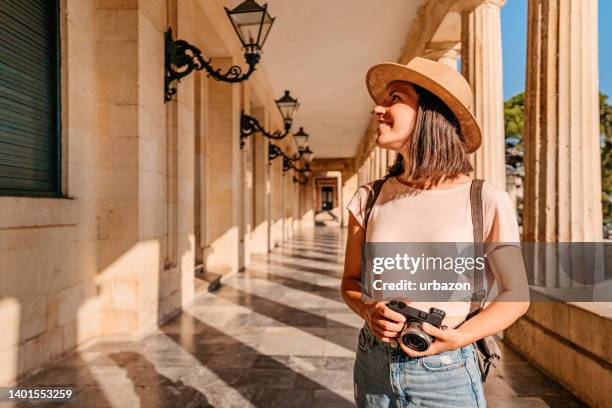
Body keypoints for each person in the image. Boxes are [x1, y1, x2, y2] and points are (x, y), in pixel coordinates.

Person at [341, 57, 530, 408]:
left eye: (394, 98)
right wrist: (369, 310)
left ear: (431, 113)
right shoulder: (368, 197)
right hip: (373, 362)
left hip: (447, 371)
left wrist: (458, 338)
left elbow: (516, 295)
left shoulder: (485, 199)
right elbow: (351, 281)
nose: (377, 109)